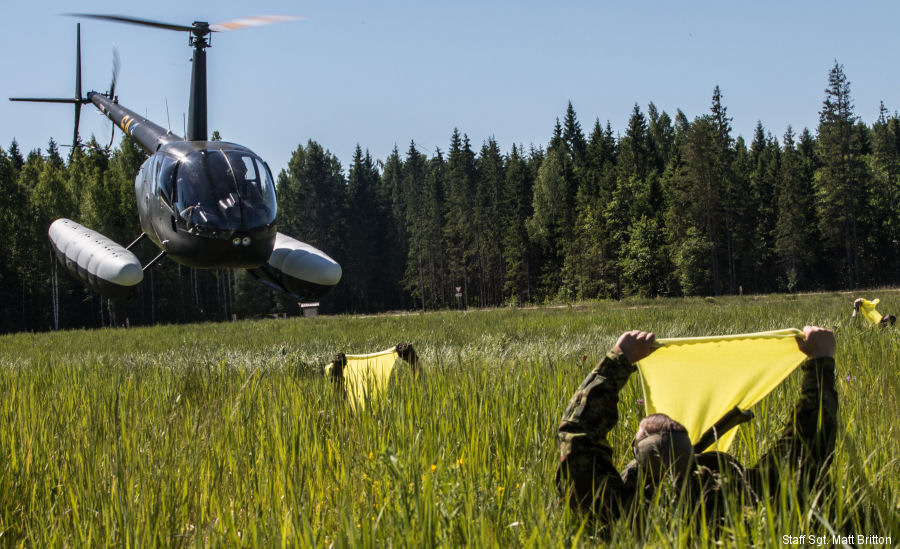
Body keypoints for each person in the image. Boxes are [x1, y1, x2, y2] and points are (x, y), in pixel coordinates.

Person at [555, 326, 837, 525]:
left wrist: (618, 358)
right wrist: (821, 360)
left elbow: (576, 435)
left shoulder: (618, 512)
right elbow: (808, 448)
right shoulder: (743, 499)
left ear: (639, 464)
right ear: (689, 452)